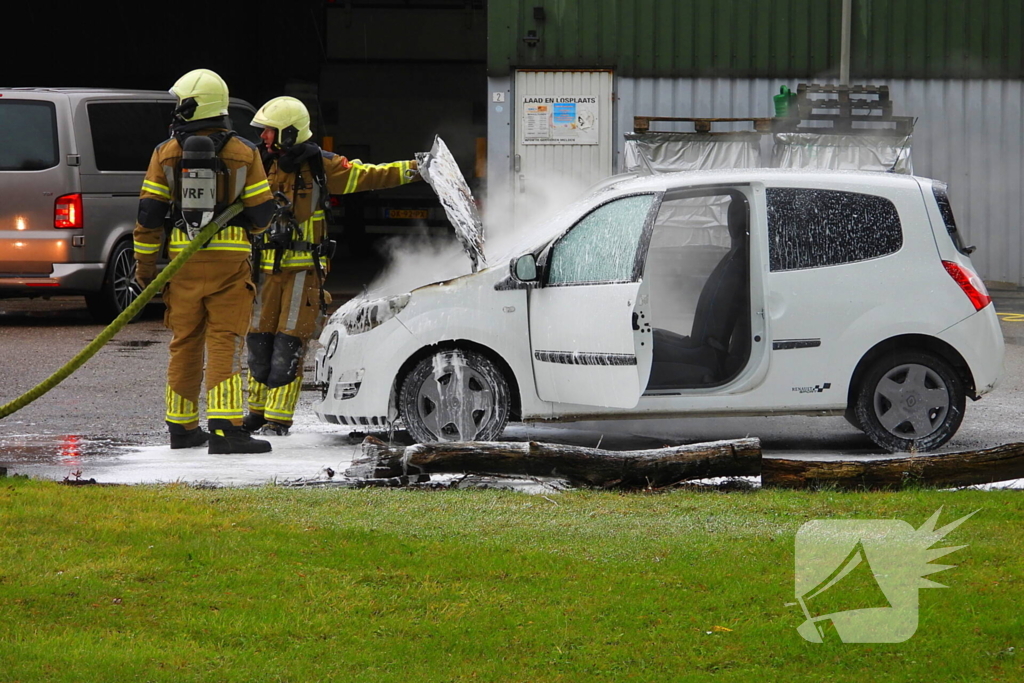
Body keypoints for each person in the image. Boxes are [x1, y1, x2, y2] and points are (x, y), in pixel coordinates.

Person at [244, 96, 419, 436]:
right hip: (263, 271)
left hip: (303, 272)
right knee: (259, 343)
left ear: (289, 132)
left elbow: (371, 175)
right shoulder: (257, 163)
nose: (263, 137)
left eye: (269, 131)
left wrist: (415, 168)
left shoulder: (321, 166)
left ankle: (278, 420)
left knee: (288, 345)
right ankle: (256, 412)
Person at [133, 68, 277, 454]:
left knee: (184, 343)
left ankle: (181, 429)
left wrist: (145, 272)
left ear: (192, 105)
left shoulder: (165, 153)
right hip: (229, 266)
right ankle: (226, 431)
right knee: (224, 341)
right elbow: (262, 215)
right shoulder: (244, 152)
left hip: (182, 265)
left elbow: (148, 218)